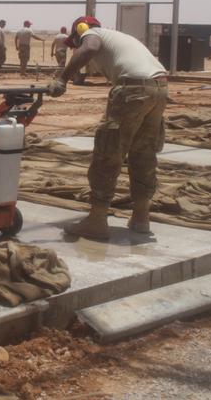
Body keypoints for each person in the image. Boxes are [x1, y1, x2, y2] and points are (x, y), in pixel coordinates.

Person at [47, 16, 168, 240]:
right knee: (143, 152)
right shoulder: (118, 37)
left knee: (108, 151)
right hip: (159, 88)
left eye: (77, 42)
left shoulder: (92, 35)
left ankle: (97, 220)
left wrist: (62, 79)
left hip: (133, 88)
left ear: (80, 31)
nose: (79, 47)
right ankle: (141, 217)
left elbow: (89, 48)